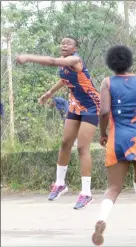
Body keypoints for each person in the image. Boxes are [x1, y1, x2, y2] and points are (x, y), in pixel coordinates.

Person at [16, 36, 100, 210]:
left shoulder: (75, 60)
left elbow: (52, 61)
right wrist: (49, 93)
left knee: (82, 147)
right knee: (65, 143)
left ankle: (86, 193)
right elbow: (65, 79)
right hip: (76, 105)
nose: (64, 45)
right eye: (62, 43)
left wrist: (28, 57)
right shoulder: (64, 63)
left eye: (68, 43)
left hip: (91, 106)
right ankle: (60, 183)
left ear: (75, 48)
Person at [92, 45, 136, 246]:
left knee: (113, 187)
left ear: (111, 63)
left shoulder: (107, 83)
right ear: (129, 61)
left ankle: (102, 219)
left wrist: (103, 133)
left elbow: (104, 112)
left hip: (118, 140)